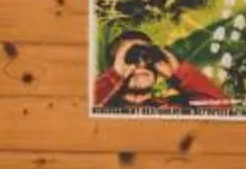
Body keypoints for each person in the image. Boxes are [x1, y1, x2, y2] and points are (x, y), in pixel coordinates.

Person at [93, 34, 231, 113]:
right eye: (131, 57)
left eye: (147, 56)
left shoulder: (174, 107)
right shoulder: (103, 107)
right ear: (116, 64)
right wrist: (115, 76)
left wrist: (178, 74)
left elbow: (222, 108)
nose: (141, 63)